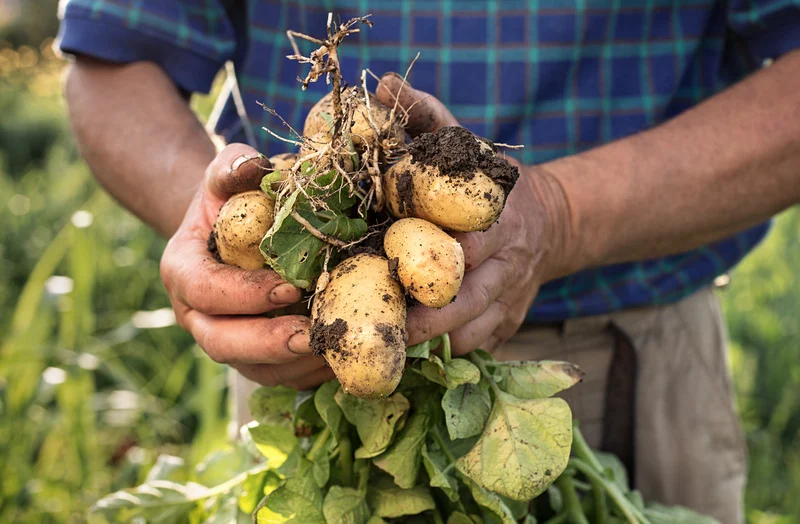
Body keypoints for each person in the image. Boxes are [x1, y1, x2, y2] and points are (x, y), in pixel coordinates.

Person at [56, 1, 800, 521]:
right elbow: (114, 61)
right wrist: (225, 228)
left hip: (631, 362)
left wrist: (565, 215)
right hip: (305, 360)